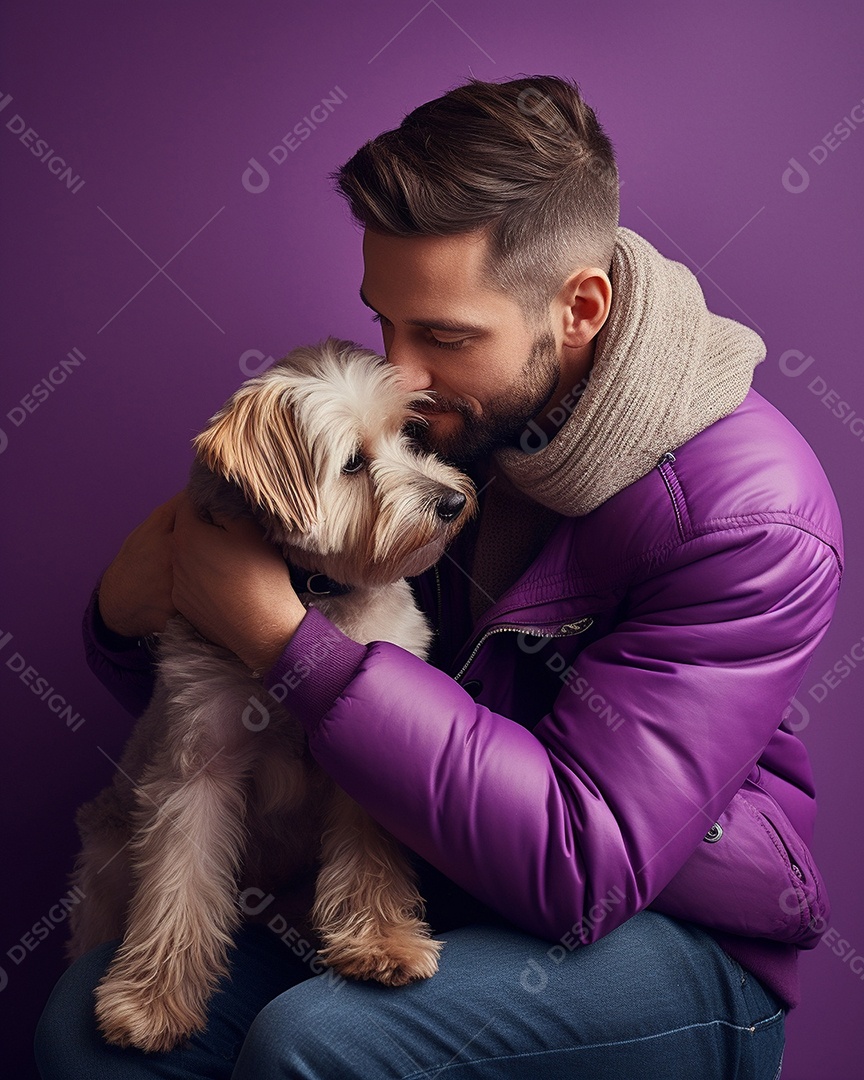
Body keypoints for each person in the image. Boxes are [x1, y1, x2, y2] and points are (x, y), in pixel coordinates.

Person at [35, 75, 843, 1079]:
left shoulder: (752, 515)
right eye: (385, 322)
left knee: (316, 1042)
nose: (404, 374)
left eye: (444, 337)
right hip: (449, 873)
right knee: (84, 1028)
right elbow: (228, 725)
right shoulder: (464, 419)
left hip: (666, 929)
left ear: (579, 309)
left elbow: (585, 864)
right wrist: (127, 617)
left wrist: (283, 639)